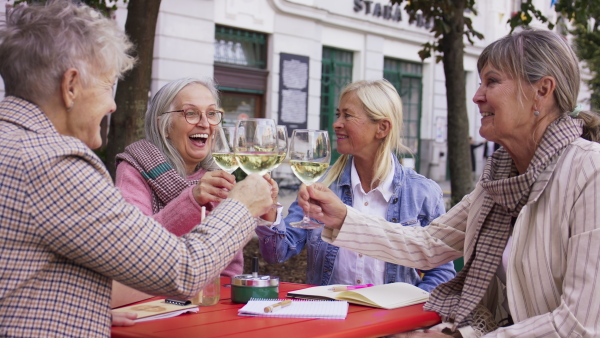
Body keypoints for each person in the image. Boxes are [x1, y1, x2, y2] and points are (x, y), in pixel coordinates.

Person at [297, 29, 600, 337]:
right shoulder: (498, 178)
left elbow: (578, 324)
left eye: (492, 81)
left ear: (542, 91)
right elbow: (429, 244)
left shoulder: (590, 172)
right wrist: (343, 217)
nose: (477, 95)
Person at [0, 2, 273, 336]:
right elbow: (183, 269)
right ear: (71, 86)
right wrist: (242, 207)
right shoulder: (55, 164)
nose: (112, 104)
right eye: (107, 85)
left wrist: (81, 304)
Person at [256, 79, 455, 291]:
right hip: (330, 318)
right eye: (337, 114)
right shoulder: (322, 187)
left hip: (396, 321)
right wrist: (269, 208)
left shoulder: (422, 193)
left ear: (382, 128)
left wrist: (409, 310)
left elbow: (441, 272)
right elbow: (276, 253)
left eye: (347, 115)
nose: (336, 123)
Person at [110, 78, 252, 307]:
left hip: (217, 301)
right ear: (163, 125)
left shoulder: (218, 173)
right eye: (191, 113)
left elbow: (230, 269)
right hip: (155, 304)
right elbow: (136, 245)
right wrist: (192, 199)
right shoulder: (135, 168)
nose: (205, 124)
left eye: (212, 113)